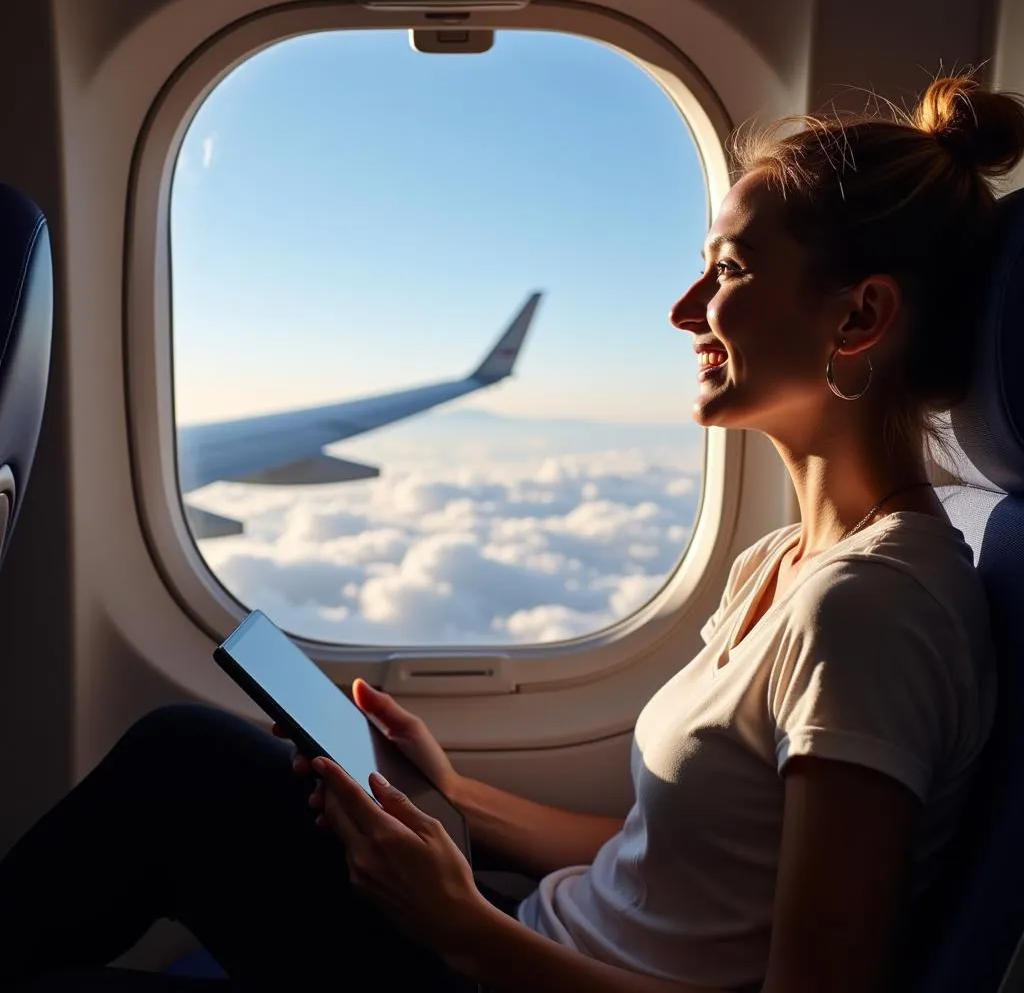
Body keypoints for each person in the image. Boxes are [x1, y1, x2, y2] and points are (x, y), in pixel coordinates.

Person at [2, 72, 1022, 993]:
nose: (684, 310)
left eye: (729, 270)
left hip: (500, 971)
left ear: (859, 319)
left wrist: (457, 924)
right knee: (192, 763)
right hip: (522, 942)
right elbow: (665, 858)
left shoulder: (870, 613)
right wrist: (449, 795)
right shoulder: (788, 564)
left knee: (175, 785)